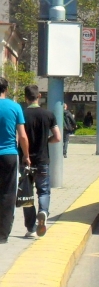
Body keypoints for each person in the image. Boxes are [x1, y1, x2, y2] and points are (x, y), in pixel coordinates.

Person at [21, 84, 60, 239]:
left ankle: (30, 228)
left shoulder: (21, 114)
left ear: (25, 97)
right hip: (43, 159)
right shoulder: (48, 115)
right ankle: (43, 211)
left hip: (26, 160)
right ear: (39, 96)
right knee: (43, 190)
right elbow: (57, 137)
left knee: (27, 195)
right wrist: (45, 141)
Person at [0, 77, 29, 244]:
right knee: (8, 193)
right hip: (10, 155)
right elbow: (23, 136)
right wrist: (26, 155)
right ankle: (3, 234)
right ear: (7, 90)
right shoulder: (15, 107)